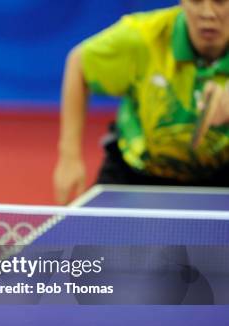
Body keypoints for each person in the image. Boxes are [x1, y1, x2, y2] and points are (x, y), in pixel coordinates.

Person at [53, 0, 229, 204]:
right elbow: (79, 63)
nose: (208, 13)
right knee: (91, 234)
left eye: (220, 1)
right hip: (136, 173)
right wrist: (69, 158)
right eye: (196, 1)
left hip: (219, 175)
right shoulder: (144, 36)